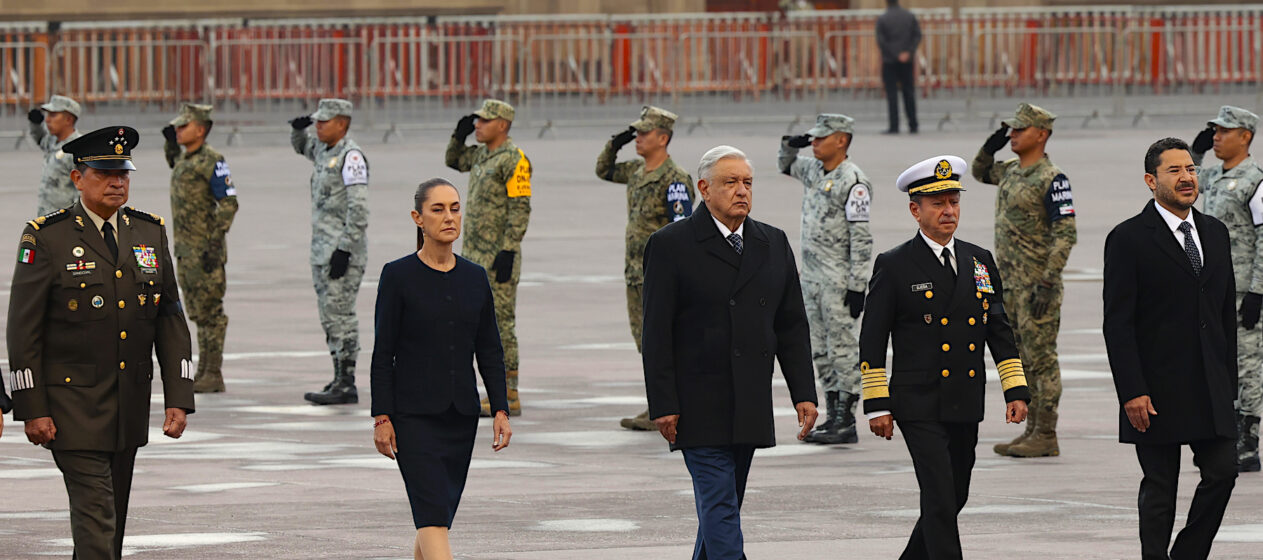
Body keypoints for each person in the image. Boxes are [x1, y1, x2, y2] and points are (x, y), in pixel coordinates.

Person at [7, 125, 195, 560]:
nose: (117, 183)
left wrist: (178, 396)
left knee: (108, 529)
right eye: (105, 173)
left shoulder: (149, 232)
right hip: (71, 410)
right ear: (77, 178)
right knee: (97, 526)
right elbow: (23, 330)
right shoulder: (47, 237)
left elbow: (169, 317)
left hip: (127, 409)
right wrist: (31, 407)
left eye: (123, 174)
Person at [642, 145, 818, 559]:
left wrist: (804, 393)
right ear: (703, 188)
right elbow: (656, 333)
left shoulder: (771, 242)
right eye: (730, 183)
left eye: (747, 183)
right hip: (697, 404)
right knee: (720, 508)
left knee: (722, 508)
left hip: (749, 401)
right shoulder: (671, 245)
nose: (742, 191)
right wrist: (663, 403)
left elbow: (791, 325)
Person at [860, 155, 1030, 560]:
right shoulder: (895, 264)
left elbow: (998, 329)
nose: (948, 211)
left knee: (955, 494)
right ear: (915, 210)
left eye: (953, 201)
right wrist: (876, 404)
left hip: (965, 396)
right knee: (938, 495)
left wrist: (1015, 389)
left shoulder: (979, 260)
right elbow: (872, 338)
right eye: (938, 204)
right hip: (918, 401)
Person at [1103, 137, 1239, 559]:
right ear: (1151, 180)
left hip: (1209, 385)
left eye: (1191, 170)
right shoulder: (1128, 238)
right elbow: (1118, 324)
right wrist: (1132, 390)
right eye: (1175, 171)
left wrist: (1228, 381)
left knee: (1223, 473)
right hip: (1155, 388)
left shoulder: (1215, 233)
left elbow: (1223, 316)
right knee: (1161, 488)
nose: (1186, 178)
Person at [371, 178, 512, 560]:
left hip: (460, 416)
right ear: (418, 218)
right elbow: (383, 353)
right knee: (432, 513)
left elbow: (489, 349)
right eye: (438, 209)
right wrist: (381, 416)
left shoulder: (474, 276)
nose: (449, 217)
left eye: (454, 208)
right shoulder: (398, 276)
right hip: (412, 417)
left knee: (435, 516)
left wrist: (500, 409)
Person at [972, 103, 1077, 458]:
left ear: (1042, 134)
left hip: (1037, 287)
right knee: (1021, 359)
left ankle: (1046, 432)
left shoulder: (1052, 178)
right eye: (1011, 130)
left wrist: (1049, 280)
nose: (1013, 134)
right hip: (1011, 285)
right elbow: (979, 171)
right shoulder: (1012, 171)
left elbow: (1065, 233)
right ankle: (1031, 430)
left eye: (1019, 129)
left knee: (1042, 358)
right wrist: (992, 143)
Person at [595, 105, 695, 431]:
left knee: (664, 341)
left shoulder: (675, 179)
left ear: (663, 138)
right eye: (635, 133)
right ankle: (659, 403)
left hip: (660, 275)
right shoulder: (637, 172)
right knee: (645, 342)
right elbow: (604, 170)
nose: (638, 138)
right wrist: (616, 142)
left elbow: (683, 230)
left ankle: (671, 405)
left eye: (643, 133)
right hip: (634, 273)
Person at [779, 113, 873, 445]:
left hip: (837, 280)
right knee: (818, 348)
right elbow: (786, 164)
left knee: (843, 348)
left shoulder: (853, 181)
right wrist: (791, 143)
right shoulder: (814, 170)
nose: (815, 143)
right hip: (812, 278)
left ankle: (846, 418)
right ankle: (833, 413)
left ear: (842, 140)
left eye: (822, 138)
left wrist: (857, 285)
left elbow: (862, 239)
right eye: (813, 138)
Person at [445, 99, 532, 416]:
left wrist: (509, 248)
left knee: (501, 325)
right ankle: (483, 390)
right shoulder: (482, 154)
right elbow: (454, 160)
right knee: (472, 322)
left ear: (503, 125)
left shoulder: (514, 160)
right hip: (473, 257)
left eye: (484, 121)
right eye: (476, 121)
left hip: (498, 258)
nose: (478, 125)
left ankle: (509, 394)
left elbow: (520, 208)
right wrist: (459, 134)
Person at [1190, 105, 1263, 473]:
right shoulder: (1214, 173)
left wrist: (1258, 291)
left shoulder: (1256, 180)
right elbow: (1183, 181)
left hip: (1244, 290)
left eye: (1224, 132)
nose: (1217, 137)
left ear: (1245, 137)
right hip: (1213, 288)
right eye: (1214, 131)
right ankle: (1223, 435)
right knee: (1218, 363)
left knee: (1247, 364)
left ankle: (1248, 443)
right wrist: (1195, 151)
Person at [290, 98, 370, 405]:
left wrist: (346, 248)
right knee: (329, 315)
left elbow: (359, 208)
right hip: (322, 250)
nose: (318, 126)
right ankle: (338, 376)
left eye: (325, 121)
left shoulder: (351, 157)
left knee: (341, 314)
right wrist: (298, 132)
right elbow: (303, 147)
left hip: (341, 251)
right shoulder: (325, 150)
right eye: (317, 121)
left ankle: (347, 381)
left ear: (343, 123)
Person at [163, 103, 239, 394]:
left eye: (184, 126)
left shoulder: (212, 160)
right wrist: (170, 146)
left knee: (211, 313)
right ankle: (204, 370)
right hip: (186, 250)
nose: (179, 131)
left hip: (205, 250)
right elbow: (175, 165)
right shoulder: (186, 160)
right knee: (196, 311)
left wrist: (215, 240)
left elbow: (229, 203)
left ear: (201, 129)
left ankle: (213, 371)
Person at [28, 94, 84, 215]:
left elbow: (82, 191)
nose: (47, 119)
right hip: (46, 217)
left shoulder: (78, 148)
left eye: (53, 115)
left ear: (69, 120)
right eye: (47, 115)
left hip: (64, 222)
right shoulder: (53, 140)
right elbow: (41, 139)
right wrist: (35, 124)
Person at [876, 0, 921, 134]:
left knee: (892, 94)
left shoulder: (883, 18)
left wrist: (895, 54)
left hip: (890, 60)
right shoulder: (909, 16)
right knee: (909, 92)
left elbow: (881, 41)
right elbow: (917, 35)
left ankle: (894, 125)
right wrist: (908, 52)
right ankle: (913, 124)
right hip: (907, 60)